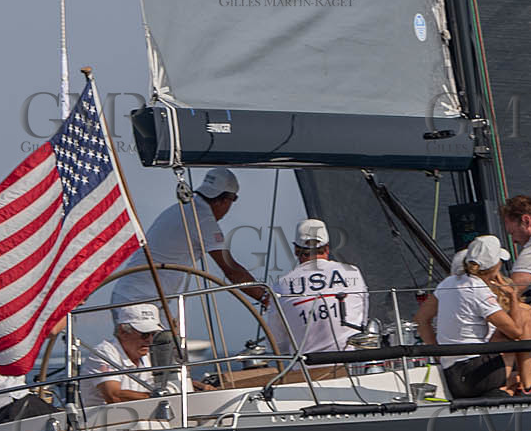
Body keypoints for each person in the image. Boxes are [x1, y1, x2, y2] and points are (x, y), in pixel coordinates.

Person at [109, 167, 267, 382]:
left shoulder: (182, 209)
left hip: (146, 299)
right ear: (224, 200)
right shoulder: (202, 218)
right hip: (139, 303)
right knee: (150, 373)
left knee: (163, 370)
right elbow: (231, 269)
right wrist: (266, 299)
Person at [418, 235, 531, 398]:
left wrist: (438, 353)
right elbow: (516, 332)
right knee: (523, 318)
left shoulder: (448, 282)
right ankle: (527, 387)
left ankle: (507, 389)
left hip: (453, 375)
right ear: (496, 266)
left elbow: (421, 319)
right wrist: (513, 297)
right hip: (477, 375)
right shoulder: (480, 290)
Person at [265, 219, 369, 357]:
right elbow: (363, 321)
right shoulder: (352, 272)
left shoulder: (280, 285)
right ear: (327, 248)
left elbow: (277, 345)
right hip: (352, 365)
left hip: (307, 372)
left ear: (296, 250)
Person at [82, 305, 164, 407]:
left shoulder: (150, 355)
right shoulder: (103, 353)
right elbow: (113, 396)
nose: (150, 340)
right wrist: (158, 398)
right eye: (145, 334)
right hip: (105, 420)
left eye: (154, 334)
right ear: (123, 332)